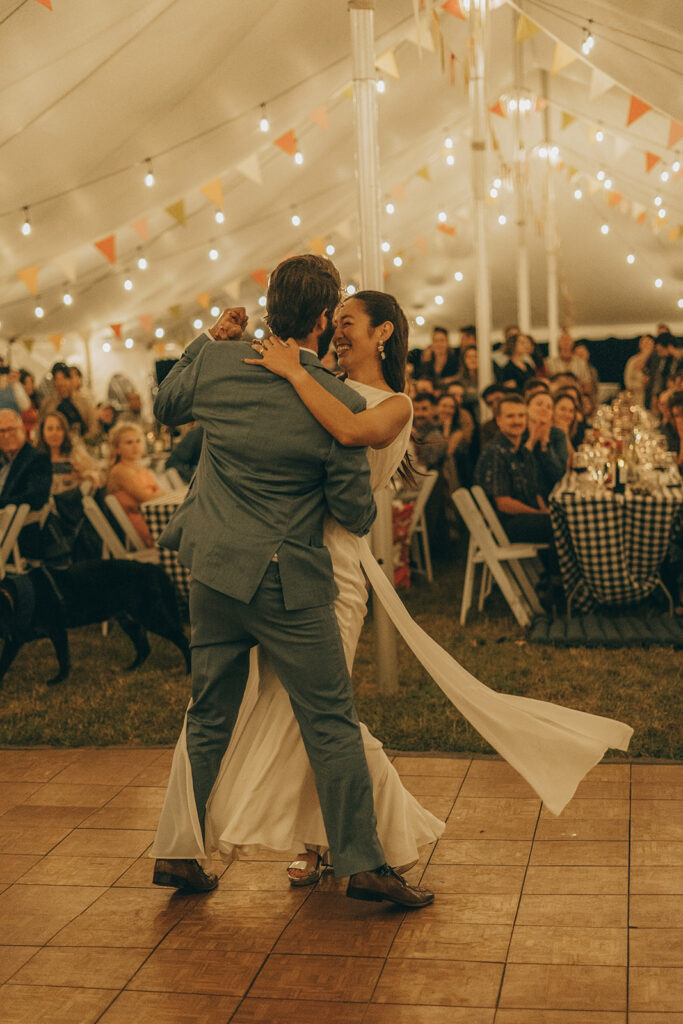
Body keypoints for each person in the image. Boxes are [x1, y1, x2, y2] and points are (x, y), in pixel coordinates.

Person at [154, 289, 637, 896]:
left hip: (331, 570)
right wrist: (300, 371)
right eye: (337, 322)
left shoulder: (389, 403)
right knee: (313, 719)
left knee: (307, 717)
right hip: (295, 563)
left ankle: (326, 843)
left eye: (352, 324)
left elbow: (351, 432)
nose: (339, 334)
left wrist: (295, 371)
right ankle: (348, 847)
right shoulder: (318, 381)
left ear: (384, 333)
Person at [151, 257, 434, 908]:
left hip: (215, 575)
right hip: (288, 582)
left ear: (268, 305)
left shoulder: (221, 363)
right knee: (329, 722)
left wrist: (209, 338)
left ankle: (178, 852)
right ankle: (362, 862)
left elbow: (166, 404)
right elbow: (356, 511)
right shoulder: (330, 398)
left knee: (207, 718)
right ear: (318, 319)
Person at [473, 393, 553, 545]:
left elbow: (534, 492)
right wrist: (539, 515)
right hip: (503, 526)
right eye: (510, 416)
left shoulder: (521, 451)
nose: (517, 421)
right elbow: (504, 503)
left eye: (521, 416)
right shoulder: (495, 452)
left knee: (563, 521)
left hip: (525, 519)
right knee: (560, 526)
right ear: (499, 420)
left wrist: (545, 512)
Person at [106, 422, 161, 547]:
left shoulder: (140, 468)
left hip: (151, 519)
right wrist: (154, 493)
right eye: (129, 442)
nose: (135, 446)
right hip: (139, 527)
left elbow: (161, 494)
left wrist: (155, 494)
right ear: (117, 449)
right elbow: (148, 498)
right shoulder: (120, 471)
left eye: (138, 441)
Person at [36, 412, 103, 495]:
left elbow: (98, 479)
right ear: (42, 433)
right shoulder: (35, 459)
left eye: (59, 428)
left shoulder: (76, 455)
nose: (55, 433)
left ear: (65, 432)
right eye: (50, 429)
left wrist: (81, 476)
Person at [0, 409, 51, 510]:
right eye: (1, 431)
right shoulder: (3, 459)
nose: (6, 435)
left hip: (16, 522)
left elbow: (35, 498)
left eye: (10, 429)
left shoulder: (38, 459)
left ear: (22, 430)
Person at [524, 388, 569, 498]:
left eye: (549, 407)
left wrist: (545, 444)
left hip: (551, 494)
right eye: (539, 404)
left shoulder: (557, 435)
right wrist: (532, 440)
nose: (544, 409)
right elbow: (519, 469)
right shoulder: (519, 432)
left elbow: (558, 474)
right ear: (527, 408)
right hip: (524, 495)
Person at [49, 362, 87, 436]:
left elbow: (92, 427)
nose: (61, 383)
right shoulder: (49, 405)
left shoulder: (82, 402)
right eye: (57, 379)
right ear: (53, 382)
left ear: (70, 380)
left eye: (64, 378)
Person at [624, 336, 655, 406]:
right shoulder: (633, 361)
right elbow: (627, 379)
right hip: (636, 396)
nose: (646, 345)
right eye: (644, 343)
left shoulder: (657, 360)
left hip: (651, 396)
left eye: (648, 343)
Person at [553, 389, 580, 457]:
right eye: (562, 409)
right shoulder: (547, 434)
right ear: (552, 409)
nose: (567, 415)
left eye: (571, 411)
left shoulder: (566, 432)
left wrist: (565, 435)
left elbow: (573, 460)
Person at [19, 369, 40, 439]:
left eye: (31, 383)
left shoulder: (34, 401)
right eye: (26, 383)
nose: (29, 386)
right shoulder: (19, 404)